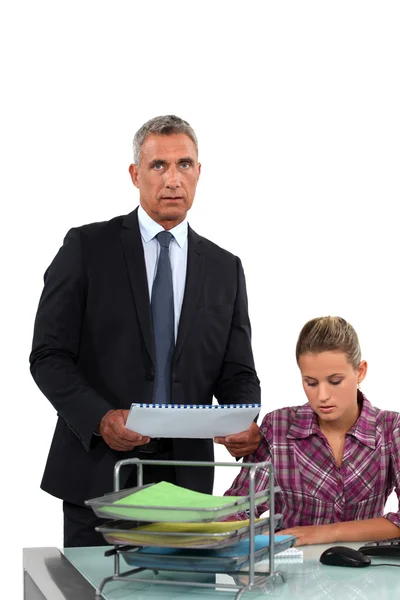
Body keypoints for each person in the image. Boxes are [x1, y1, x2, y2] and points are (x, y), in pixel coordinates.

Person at [30, 115, 261, 548]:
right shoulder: (87, 248)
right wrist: (99, 417)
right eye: (159, 166)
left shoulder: (225, 268)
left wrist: (243, 417)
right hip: (100, 476)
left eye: (185, 165)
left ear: (199, 173)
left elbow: (237, 370)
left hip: (188, 484)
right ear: (136, 174)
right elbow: (48, 356)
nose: (173, 179)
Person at [225, 316, 400, 545]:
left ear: (360, 371)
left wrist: (325, 533)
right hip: (292, 570)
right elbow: (237, 510)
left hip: (366, 570)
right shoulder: (278, 427)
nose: (322, 396)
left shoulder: (390, 429)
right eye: (311, 383)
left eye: (335, 381)